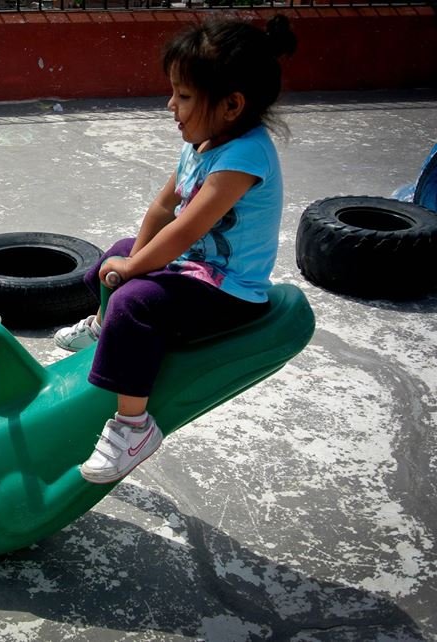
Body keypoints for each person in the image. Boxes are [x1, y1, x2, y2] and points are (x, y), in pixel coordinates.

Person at [54, 15, 297, 484]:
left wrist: (133, 275)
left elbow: (186, 230)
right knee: (116, 255)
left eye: (183, 96)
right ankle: (106, 328)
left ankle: (133, 427)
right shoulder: (202, 143)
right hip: (194, 271)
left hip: (231, 291)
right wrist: (127, 261)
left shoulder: (244, 158)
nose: (171, 105)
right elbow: (164, 207)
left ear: (231, 105)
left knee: (135, 301)